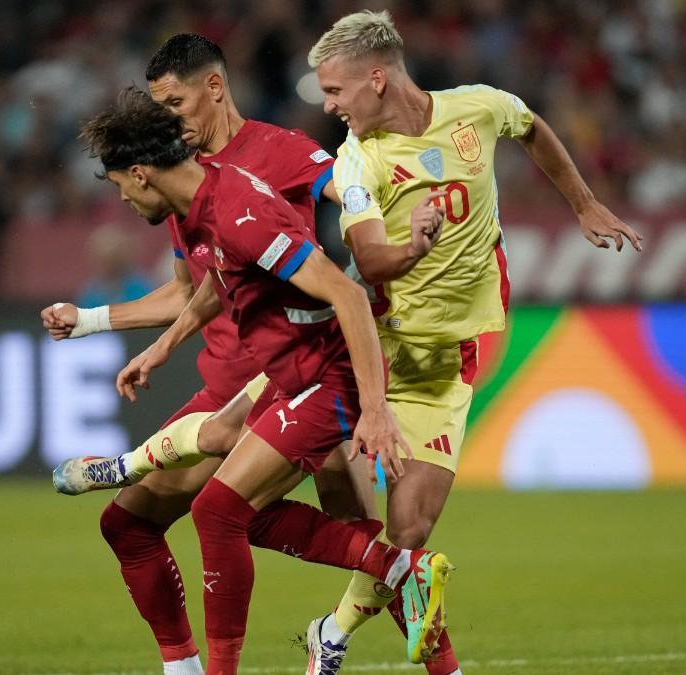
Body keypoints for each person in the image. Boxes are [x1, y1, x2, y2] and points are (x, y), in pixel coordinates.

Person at [42, 35, 435, 674]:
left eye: (175, 101)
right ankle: (188, 666)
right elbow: (191, 289)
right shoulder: (182, 179)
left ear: (214, 87)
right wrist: (98, 324)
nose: (168, 118)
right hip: (227, 386)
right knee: (137, 527)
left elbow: (351, 187)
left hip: (284, 379)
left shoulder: (278, 154)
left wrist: (394, 229)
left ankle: (439, 654)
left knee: (298, 522)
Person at [295, 10, 643, 675]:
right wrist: (412, 244)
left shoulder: (477, 109)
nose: (329, 106)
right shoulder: (358, 158)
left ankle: (330, 632)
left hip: (444, 360)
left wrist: (582, 202)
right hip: (371, 349)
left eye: (335, 91)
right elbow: (368, 261)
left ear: (377, 79)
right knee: (314, 490)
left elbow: (532, 126)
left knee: (414, 529)